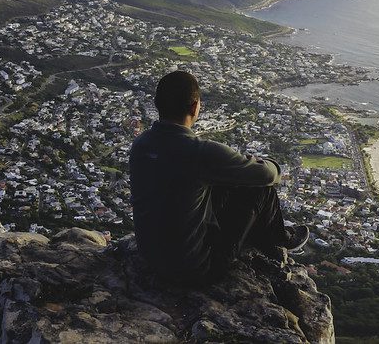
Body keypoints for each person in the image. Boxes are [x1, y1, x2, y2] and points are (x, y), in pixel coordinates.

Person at [129, 70, 309, 283]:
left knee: (217, 184)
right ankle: (281, 239)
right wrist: (264, 162)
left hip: (151, 257)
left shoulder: (140, 145)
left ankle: (268, 239)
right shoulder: (199, 152)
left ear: (157, 104)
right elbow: (268, 175)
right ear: (195, 107)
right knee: (262, 191)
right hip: (196, 269)